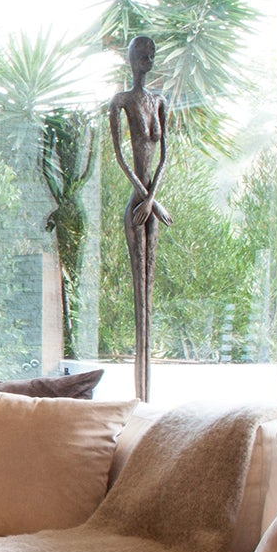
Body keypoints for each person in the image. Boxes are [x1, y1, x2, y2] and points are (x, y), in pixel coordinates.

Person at [108, 35, 170, 401]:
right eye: (141, 54)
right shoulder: (121, 102)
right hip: (137, 202)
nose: (147, 58)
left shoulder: (159, 101)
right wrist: (145, 199)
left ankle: (147, 398)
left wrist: (155, 199)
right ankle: (139, 398)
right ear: (130, 60)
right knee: (139, 294)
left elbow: (164, 157)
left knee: (148, 289)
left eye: (151, 54)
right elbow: (120, 156)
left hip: (150, 202)